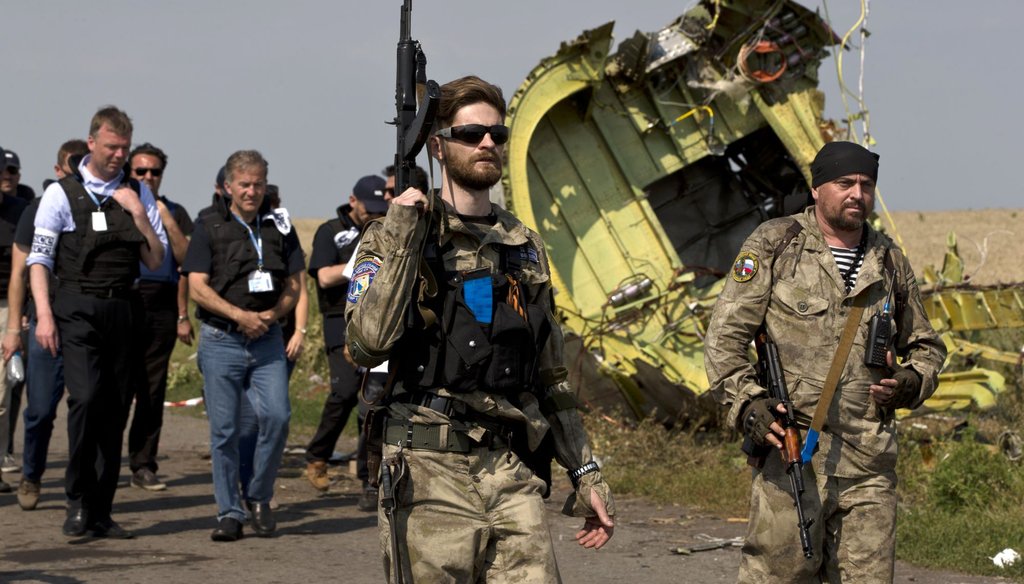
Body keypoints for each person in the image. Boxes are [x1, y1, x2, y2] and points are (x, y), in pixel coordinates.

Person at [346, 75, 615, 582]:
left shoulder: (524, 246)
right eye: (471, 134)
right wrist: (404, 233)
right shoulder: (393, 236)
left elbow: (551, 376)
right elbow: (366, 345)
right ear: (437, 146)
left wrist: (585, 472)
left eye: (497, 134)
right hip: (427, 474)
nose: (487, 143)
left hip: (510, 469)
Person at [703, 141, 948, 582]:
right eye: (845, 183)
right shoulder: (777, 244)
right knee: (779, 575)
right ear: (817, 189)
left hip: (869, 462)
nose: (857, 193)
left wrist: (911, 381)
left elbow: (927, 346)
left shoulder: (889, 261)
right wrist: (748, 404)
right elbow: (724, 339)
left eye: (866, 185)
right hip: (792, 451)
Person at [28, 106, 167, 539]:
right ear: (91, 143)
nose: (118, 156)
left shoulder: (135, 192)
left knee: (114, 410)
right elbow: (39, 260)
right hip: (75, 305)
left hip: (123, 308)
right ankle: (76, 499)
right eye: (111, 147)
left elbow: (156, 259)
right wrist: (45, 317)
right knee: (85, 400)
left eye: (124, 148)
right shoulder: (61, 194)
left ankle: (103, 511)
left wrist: (139, 213)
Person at [183, 149, 304, 542]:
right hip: (222, 340)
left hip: (267, 338)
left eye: (258, 184)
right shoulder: (208, 224)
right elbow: (197, 287)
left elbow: (295, 284)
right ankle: (229, 513)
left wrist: (273, 316)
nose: (252, 192)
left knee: (278, 417)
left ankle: (259, 496)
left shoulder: (279, 226)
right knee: (225, 431)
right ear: (228, 186)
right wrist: (240, 316)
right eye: (245, 185)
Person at [6, 139, 86, 510]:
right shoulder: (36, 209)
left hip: (87, 324)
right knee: (39, 409)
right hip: (45, 323)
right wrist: (13, 329)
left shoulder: (104, 206)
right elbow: (20, 273)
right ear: (58, 171)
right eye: (70, 168)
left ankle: (81, 487)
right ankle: (32, 473)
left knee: (85, 407)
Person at [303, 174, 388, 506]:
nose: (375, 214)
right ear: (353, 201)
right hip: (339, 319)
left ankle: (369, 479)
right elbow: (323, 277)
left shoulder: (382, 228)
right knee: (344, 390)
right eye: (371, 208)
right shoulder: (329, 231)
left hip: (374, 318)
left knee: (373, 396)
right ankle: (317, 455)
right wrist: (358, 266)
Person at [125, 142, 194, 492]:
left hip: (162, 302)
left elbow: (187, 259)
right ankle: (102, 461)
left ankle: (143, 463)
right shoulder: (119, 204)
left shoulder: (175, 211)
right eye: (141, 171)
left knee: (152, 389)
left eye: (155, 171)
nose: (148, 177)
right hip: (124, 299)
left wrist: (163, 214)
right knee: (117, 386)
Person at [0, 146, 29, 492]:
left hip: (7, 307)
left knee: (3, 394)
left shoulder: (22, 211)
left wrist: (23, 312)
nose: (6, 178)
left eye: (11, 173)